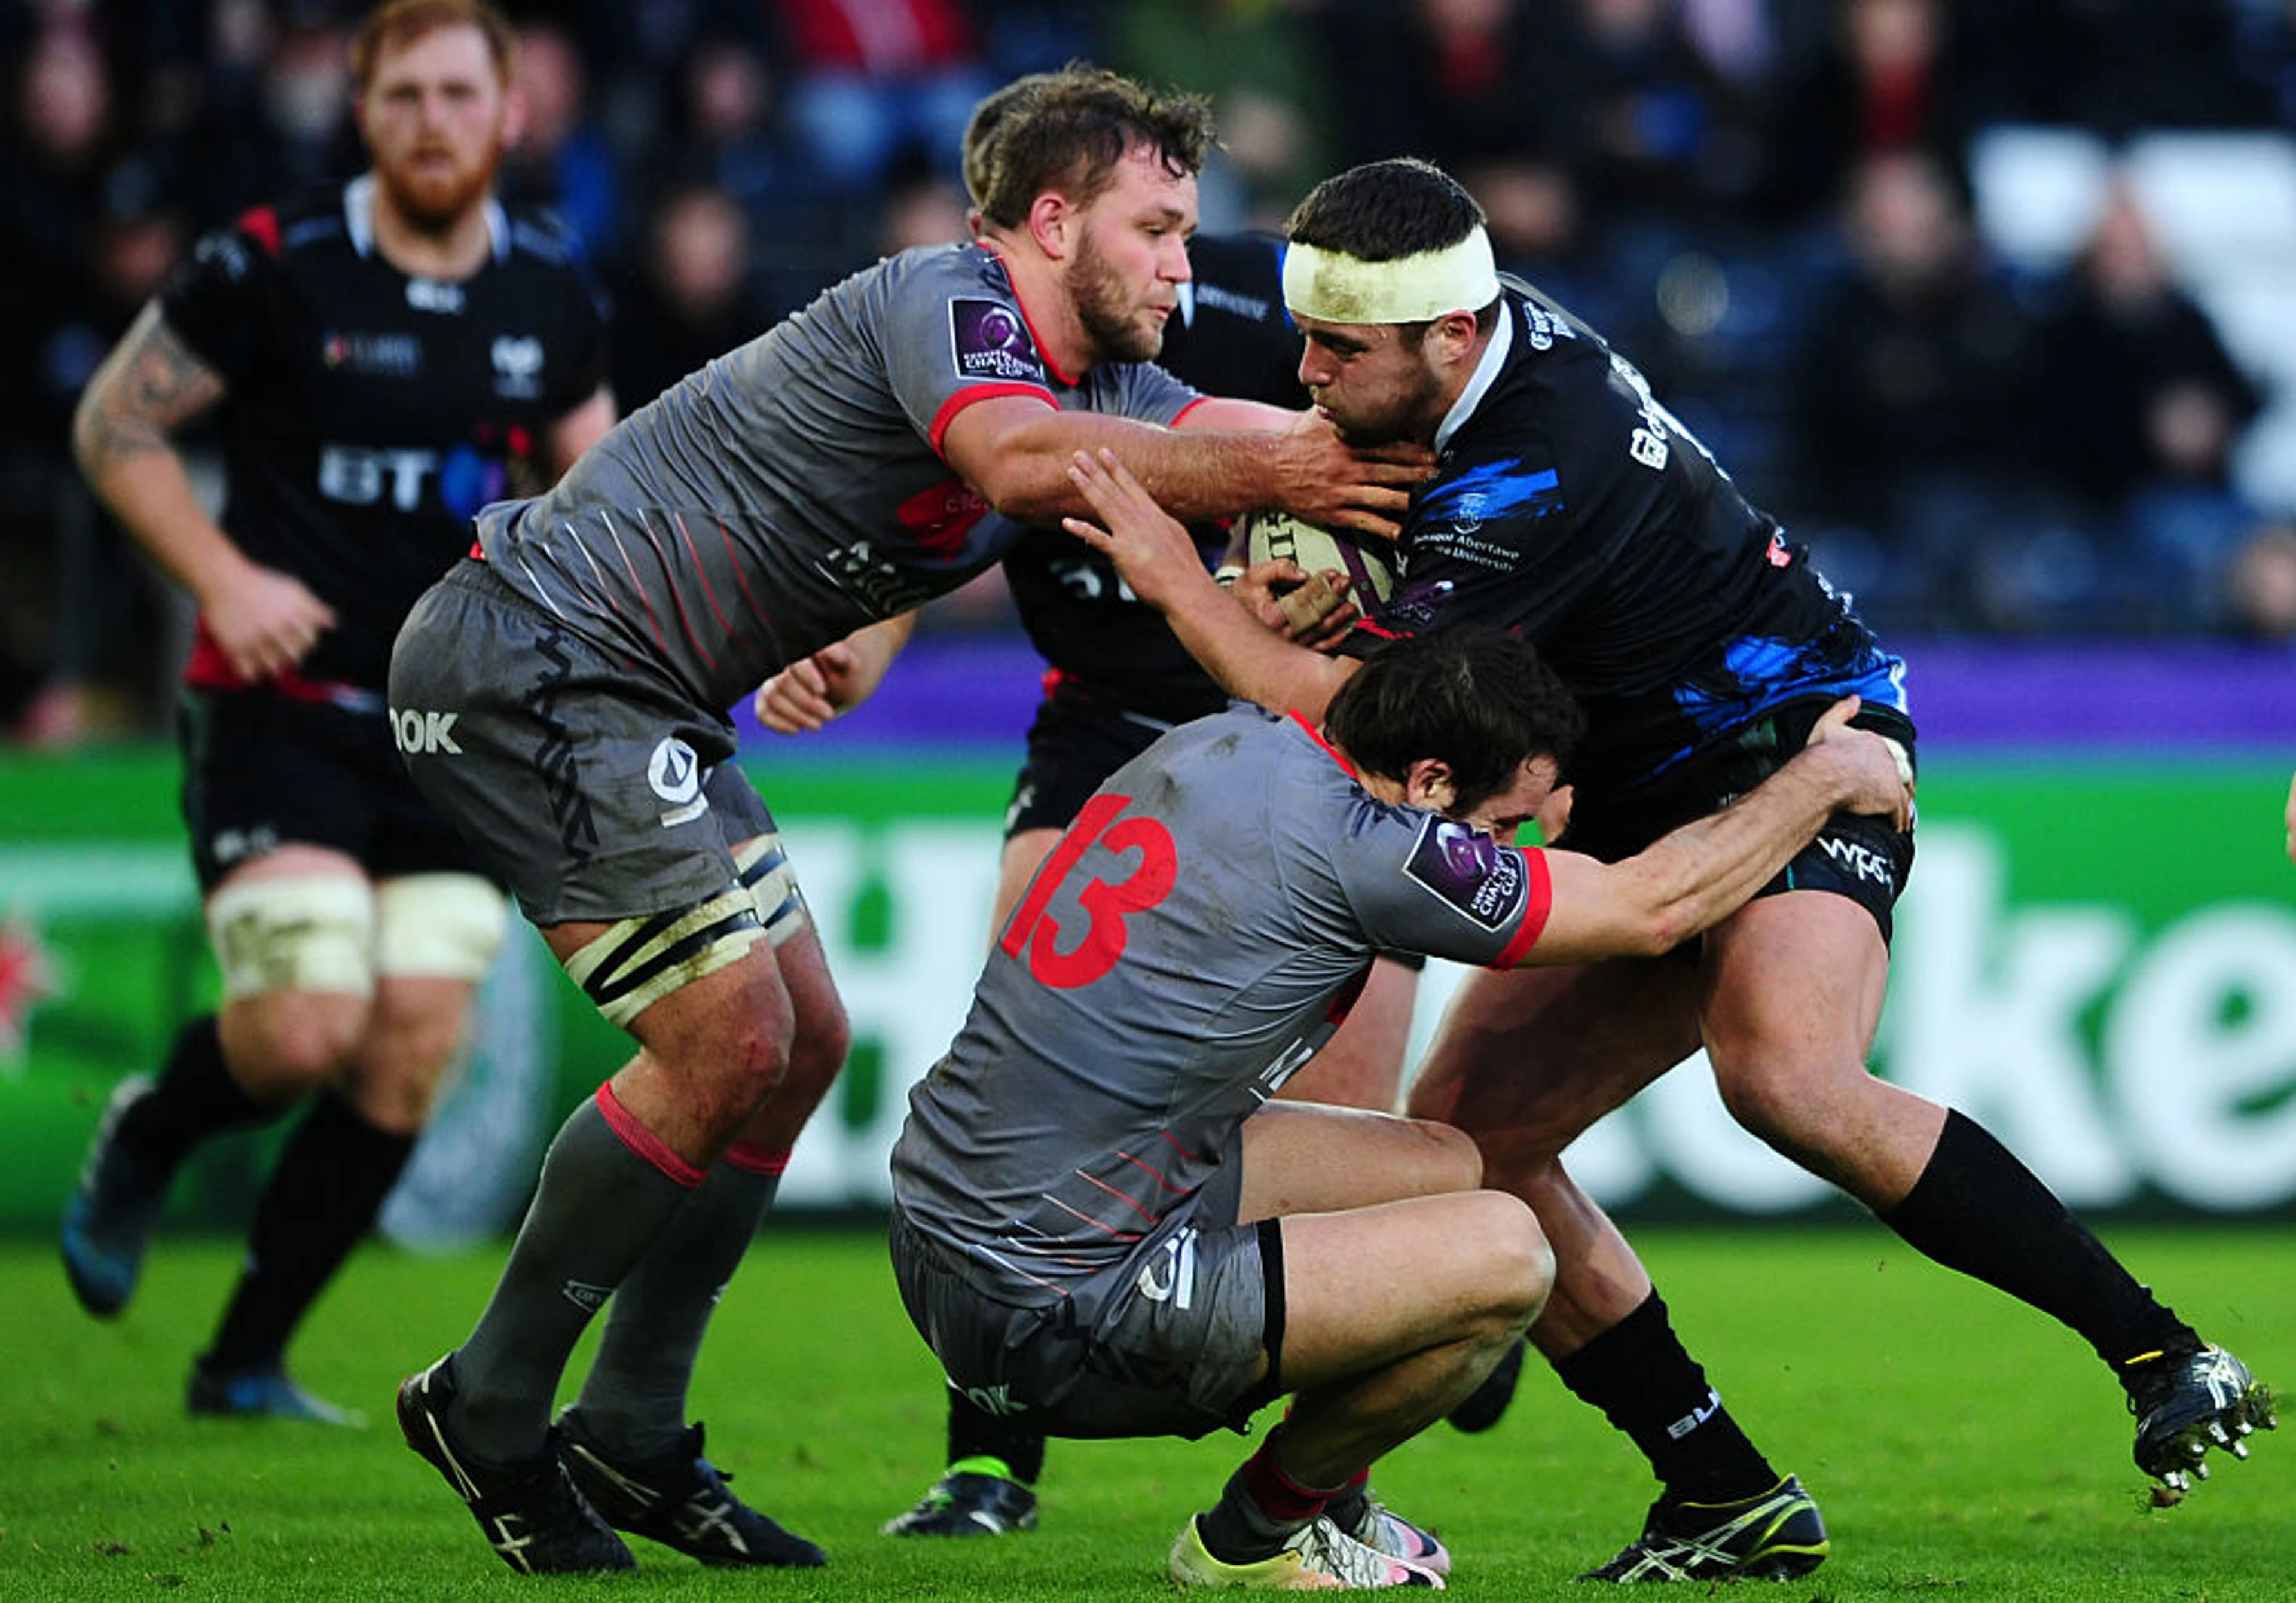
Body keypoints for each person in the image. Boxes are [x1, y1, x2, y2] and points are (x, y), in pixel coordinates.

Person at [1076, 155, 2277, 1582]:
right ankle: (1720, 1485)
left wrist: (1179, 578)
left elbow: (1362, 715)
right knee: (1474, 1147)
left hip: (1801, 740)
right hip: (1627, 800)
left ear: (1449, 339)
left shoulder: (1539, 455)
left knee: (1786, 1072)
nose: (1307, 372)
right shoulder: (1462, 363)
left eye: (1340, 347)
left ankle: (2162, 1354)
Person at [382, 65, 1430, 1575]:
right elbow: (1017, 461)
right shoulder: (942, 296)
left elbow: (1243, 427)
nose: (1185, 268)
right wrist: (1292, 469)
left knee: (800, 1040)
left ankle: (633, 1427)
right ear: (1051, 219)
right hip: (535, 653)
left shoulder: (1104, 388)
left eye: (1192, 234)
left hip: (648, 698)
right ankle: (488, 1401)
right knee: (729, 1037)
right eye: (1156, 229)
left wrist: (1431, 457)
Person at [889, 605, 1915, 1590]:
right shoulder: (1374, 852)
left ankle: (1329, 1506)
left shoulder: (1233, 736)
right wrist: (1825, 775)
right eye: (1505, 822)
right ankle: (1259, 1533)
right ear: (1428, 780)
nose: (1517, 846)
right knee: (1509, 1256)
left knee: (1448, 1164)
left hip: (947, 1226)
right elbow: (1656, 909)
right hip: (1048, 1308)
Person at [59, 0, 613, 1426]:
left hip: (444, 737)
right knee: (305, 1025)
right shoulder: (271, 263)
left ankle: (243, 1355)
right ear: (360, 114)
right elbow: (114, 425)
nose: (431, 119)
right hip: (278, 710)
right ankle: (151, 1127)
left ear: (510, 114)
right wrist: (226, 578)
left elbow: (608, 503)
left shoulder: (548, 291)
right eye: (403, 95)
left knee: (412, 1040)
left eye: (457, 94)